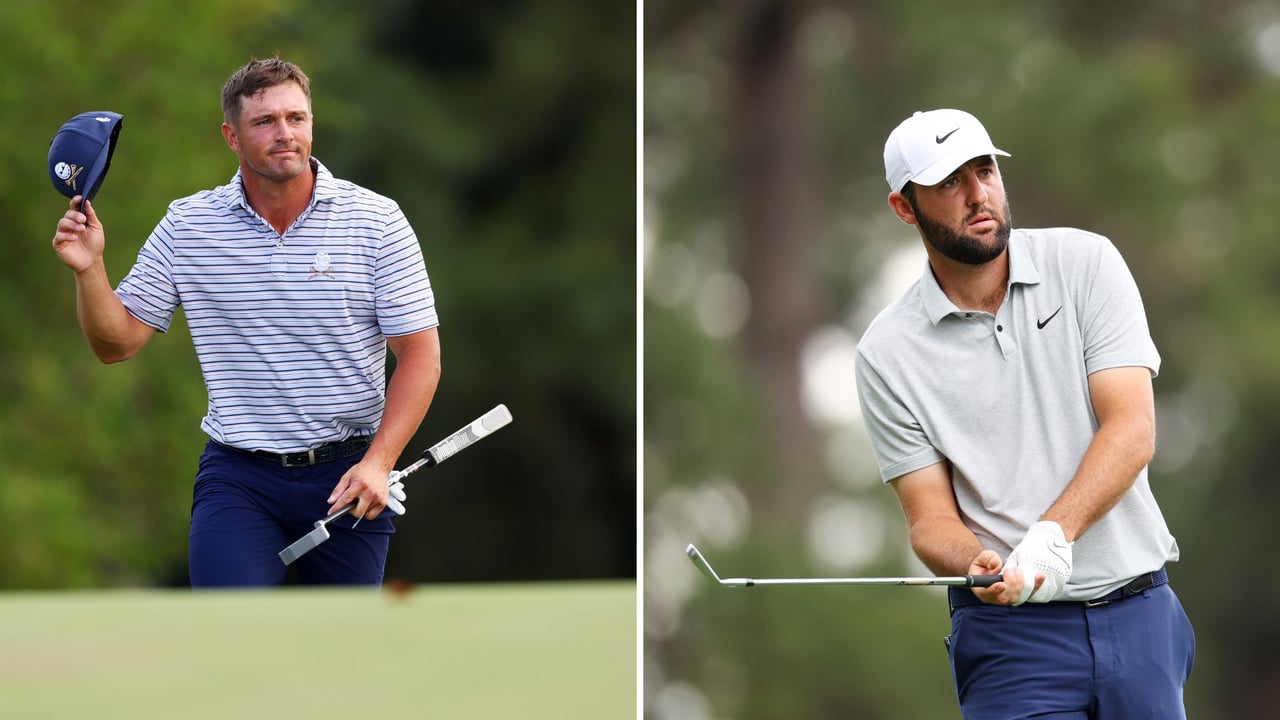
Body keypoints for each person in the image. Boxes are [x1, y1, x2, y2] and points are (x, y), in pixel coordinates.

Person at [50, 57, 442, 588]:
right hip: (239, 478)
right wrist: (91, 269)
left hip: (348, 473)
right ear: (232, 136)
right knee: (225, 643)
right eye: (265, 122)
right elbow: (116, 343)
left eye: (296, 118)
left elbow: (420, 354)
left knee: (345, 657)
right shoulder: (189, 226)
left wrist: (380, 462)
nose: (285, 134)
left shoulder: (375, 220)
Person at [854, 108, 1194, 718]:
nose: (978, 195)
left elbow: (1133, 429)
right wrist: (973, 561)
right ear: (906, 208)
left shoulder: (1086, 264)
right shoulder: (887, 352)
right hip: (1011, 640)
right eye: (950, 182)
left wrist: (1049, 537)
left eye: (984, 170)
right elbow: (929, 519)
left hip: (1139, 616)